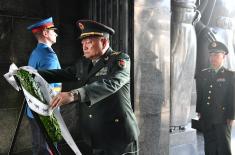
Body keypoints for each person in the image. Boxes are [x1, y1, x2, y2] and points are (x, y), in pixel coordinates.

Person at [38, 20, 139, 155]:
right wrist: (34, 75)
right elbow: (65, 73)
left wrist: (74, 94)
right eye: (83, 43)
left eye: (89, 42)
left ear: (103, 42)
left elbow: (111, 83)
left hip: (118, 137)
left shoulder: (119, 60)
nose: (84, 47)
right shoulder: (84, 63)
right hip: (96, 136)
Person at [27, 17, 62, 155]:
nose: (56, 34)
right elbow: (47, 89)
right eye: (54, 31)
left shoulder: (36, 52)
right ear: (46, 33)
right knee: (48, 149)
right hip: (45, 111)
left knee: (39, 146)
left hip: (32, 109)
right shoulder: (48, 56)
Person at [195, 41, 235, 155]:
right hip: (206, 116)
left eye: (217, 55)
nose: (213, 58)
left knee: (223, 145)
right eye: (211, 55)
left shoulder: (230, 75)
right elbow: (200, 93)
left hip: (222, 117)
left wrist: (231, 116)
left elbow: (232, 97)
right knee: (209, 144)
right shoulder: (203, 74)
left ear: (224, 57)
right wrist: (199, 111)